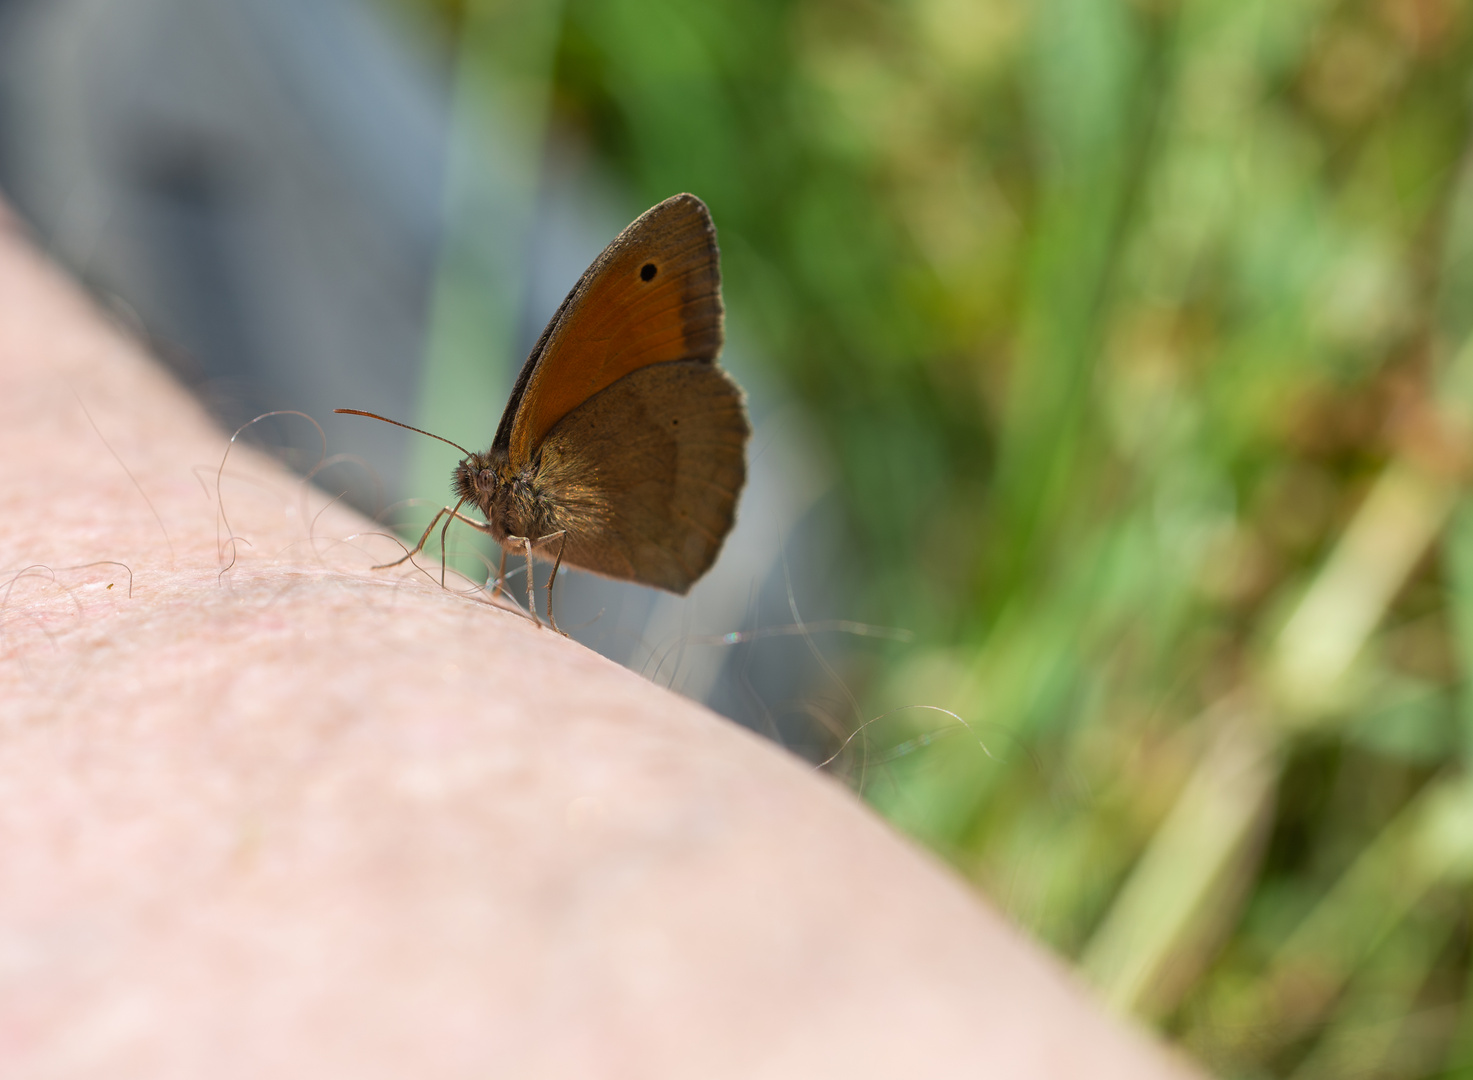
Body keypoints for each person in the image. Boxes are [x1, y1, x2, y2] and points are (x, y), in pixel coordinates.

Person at [0, 201, 1201, 1078]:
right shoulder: (499, 497)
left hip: (680, 504)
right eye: (471, 485)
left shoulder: (532, 472)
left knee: (766, 624)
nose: (472, 487)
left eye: (475, 483)